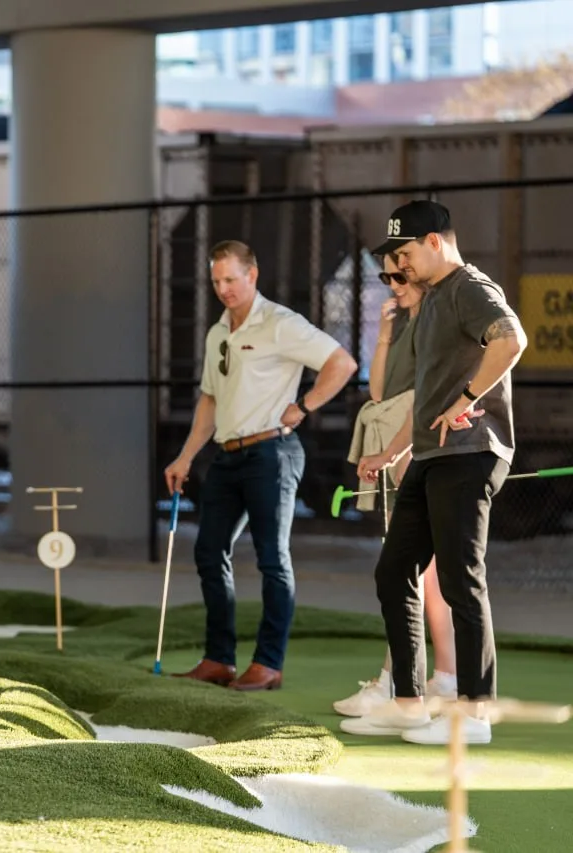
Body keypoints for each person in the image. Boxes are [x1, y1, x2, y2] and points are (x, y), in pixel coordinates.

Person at [345, 200, 526, 746]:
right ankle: (407, 703)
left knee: (459, 581)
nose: (400, 267)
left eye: (404, 253)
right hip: (429, 457)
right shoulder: (430, 302)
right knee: (393, 571)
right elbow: (427, 396)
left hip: (471, 453)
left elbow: (511, 340)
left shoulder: (469, 287)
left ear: (434, 242)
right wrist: (395, 450)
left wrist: (470, 398)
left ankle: (474, 714)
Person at [165, 240, 358, 691]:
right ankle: (218, 660)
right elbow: (210, 400)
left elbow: (342, 363)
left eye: (231, 279)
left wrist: (305, 405)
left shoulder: (280, 323)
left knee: (272, 558)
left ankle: (268, 663)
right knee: (209, 552)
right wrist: (186, 456)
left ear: (252, 275)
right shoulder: (218, 333)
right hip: (228, 457)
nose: (223, 289)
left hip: (273, 453)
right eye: (216, 281)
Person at [334, 252, 457, 717]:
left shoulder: (433, 319)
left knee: (405, 566)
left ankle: (395, 681)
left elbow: (422, 395)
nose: (392, 282)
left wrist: (400, 450)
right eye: (386, 275)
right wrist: (385, 332)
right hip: (400, 434)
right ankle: (441, 674)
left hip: (412, 441)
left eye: (399, 273)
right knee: (422, 569)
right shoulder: (407, 323)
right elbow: (380, 390)